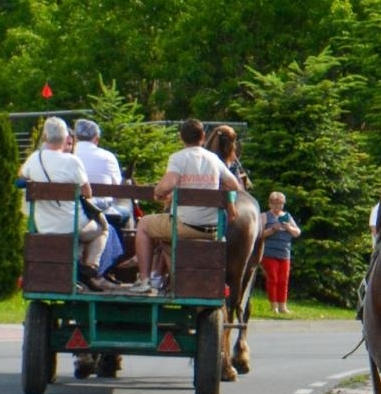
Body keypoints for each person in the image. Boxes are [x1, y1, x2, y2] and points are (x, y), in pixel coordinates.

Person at [127, 118, 242, 294]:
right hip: (212, 228)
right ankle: (165, 275)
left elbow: (167, 185)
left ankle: (145, 281)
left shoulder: (179, 158)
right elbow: (234, 185)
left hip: (185, 225)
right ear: (203, 136)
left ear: (182, 138)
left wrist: (159, 191)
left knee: (144, 225)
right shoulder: (213, 159)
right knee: (163, 229)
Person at [19, 116, 106, 274]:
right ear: (66, 138)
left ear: (45, 137)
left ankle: (76, 270)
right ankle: (91, 266)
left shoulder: (34, 159)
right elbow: (87, 192)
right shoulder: (72, 161)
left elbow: (21, 175)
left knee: (80, 235)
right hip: (72, 225)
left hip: (44, 226)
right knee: (102, 230)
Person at [261, 192, 301, 314]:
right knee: (273, 279)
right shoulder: (265, 216)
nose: (278, 207)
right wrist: (273, 228)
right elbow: (259, 234)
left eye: (281, 204)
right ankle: (274, 307)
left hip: (284, 253)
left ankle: (283, 306)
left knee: (284, 280)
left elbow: (297, 232)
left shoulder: (287, 216)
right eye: (276, 204)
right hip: (269, 253)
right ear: (270, 204)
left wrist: (288, 227)